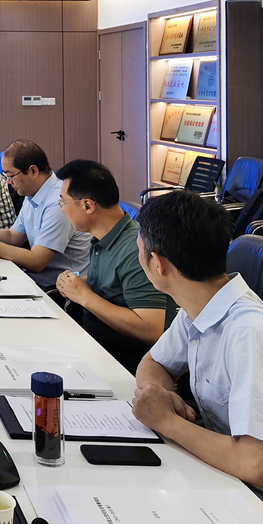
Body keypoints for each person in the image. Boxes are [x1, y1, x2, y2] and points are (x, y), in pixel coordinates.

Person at [131, 190, 263, 524]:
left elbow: (259, 465)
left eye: (139, 250)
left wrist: (167, 421)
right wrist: (161, 396)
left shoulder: (251, 335)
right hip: (229, 475)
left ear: (159, 264)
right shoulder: (200, 304)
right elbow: (154, 363)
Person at [52, 160, 172, 374]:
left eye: (64, 202)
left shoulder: (135, 250)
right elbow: (114, 285)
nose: (62, 210)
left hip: (122, 363)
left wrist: (84, 296)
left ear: (87, 206)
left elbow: (151, 330)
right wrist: (78, 284)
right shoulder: (104, 235)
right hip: (93, 344)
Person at [0, 140, 90, 286]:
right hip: (35, 279)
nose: (8, 182)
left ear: (33, 171)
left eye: (11, 175)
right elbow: (12, 236)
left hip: (58, 289)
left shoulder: (58, 201)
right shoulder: (33, 192)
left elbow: (36, 261)